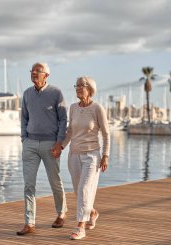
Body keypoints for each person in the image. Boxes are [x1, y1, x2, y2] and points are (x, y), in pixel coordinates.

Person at [17, 62, 68, 236]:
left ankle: (61, 213)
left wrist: (59, 142)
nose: (34, 73)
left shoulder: (56, 93)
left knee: (55, 181)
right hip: (30, 144)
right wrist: (24, 138)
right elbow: (23, 118)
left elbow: (63, 120)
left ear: (46, 75)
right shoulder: (26, 94)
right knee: (28, 185)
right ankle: (29, 222)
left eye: (38, 71)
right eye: (32, 70)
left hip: (50, 144)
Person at [61, 76, 110, 240]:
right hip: (74, 155)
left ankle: (80, 227)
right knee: (79, 191)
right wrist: (61, 146)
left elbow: (106, 134)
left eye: (82, 85)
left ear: (90, 89)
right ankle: (93, 212)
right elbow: (70, 132)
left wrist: (106, 155)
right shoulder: (73, 108)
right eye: (76, 85)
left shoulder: (97, 108)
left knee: (84, 190)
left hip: (92, 156)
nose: (78, 88)